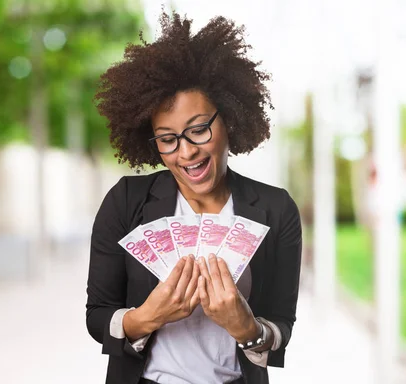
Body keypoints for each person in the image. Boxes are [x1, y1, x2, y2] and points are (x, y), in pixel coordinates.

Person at [86, 11, 302, 384]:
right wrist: (147, 316)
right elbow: (98, 315)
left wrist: (248, 328)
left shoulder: (276, 209)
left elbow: (282, 324)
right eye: (168, 139)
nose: (185, 153)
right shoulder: (124, 201)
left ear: (229, 118)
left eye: (198, 130)